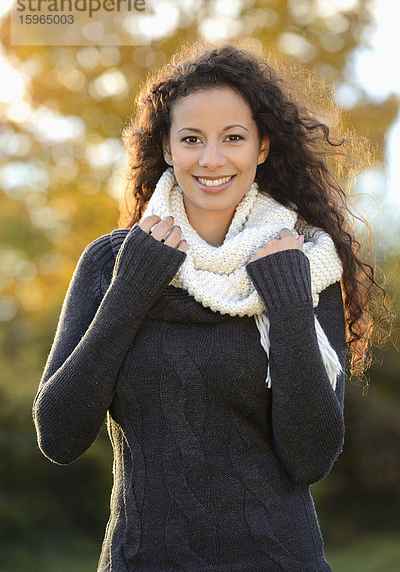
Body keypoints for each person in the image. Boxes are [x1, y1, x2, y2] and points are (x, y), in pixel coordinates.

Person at [33, 41, 383, 572]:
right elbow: (59, 436)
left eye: (233, 138)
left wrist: (287, 302)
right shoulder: (115, 263)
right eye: (192, 139)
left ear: (262, 147)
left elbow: (310, 456)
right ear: (168, 149)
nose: (212, 159)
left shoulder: (307, 266)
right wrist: (131, 292)